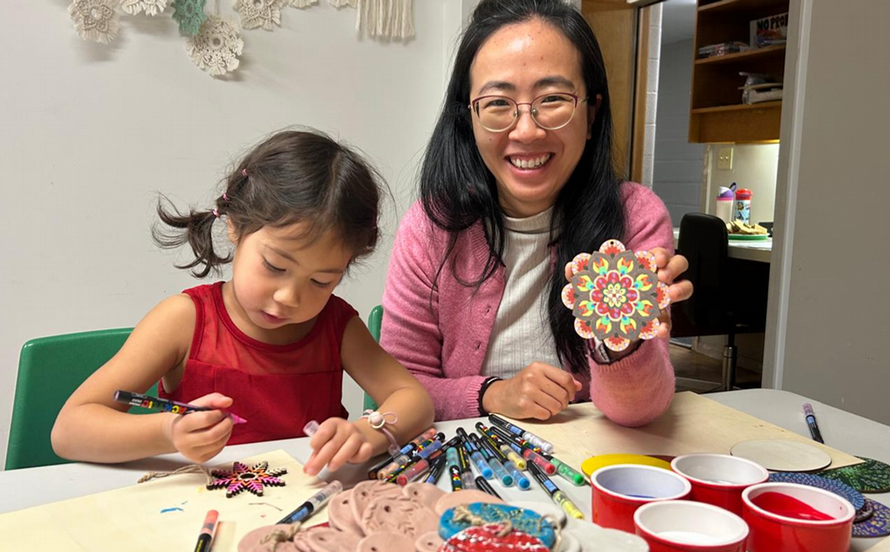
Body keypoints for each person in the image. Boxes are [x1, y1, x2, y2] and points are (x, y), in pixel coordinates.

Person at [381, 0, 693, 426]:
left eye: (553, 99)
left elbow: (640, 411)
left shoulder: (634, 216)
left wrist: (620, 342)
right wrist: (492, 394)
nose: (527, 130)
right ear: (468, 116)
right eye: (497, 103)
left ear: (592, 110)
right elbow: (400, 385)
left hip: (589, 467)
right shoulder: (432, 226)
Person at [52, 130, 434, 473]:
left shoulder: (337, 327)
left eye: (322, 281)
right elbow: (70, 430)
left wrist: (369, 432)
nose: (289, 297)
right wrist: (169, 431)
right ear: (234, 225)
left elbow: (415, 399)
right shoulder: (184, 321)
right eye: (274, 266)